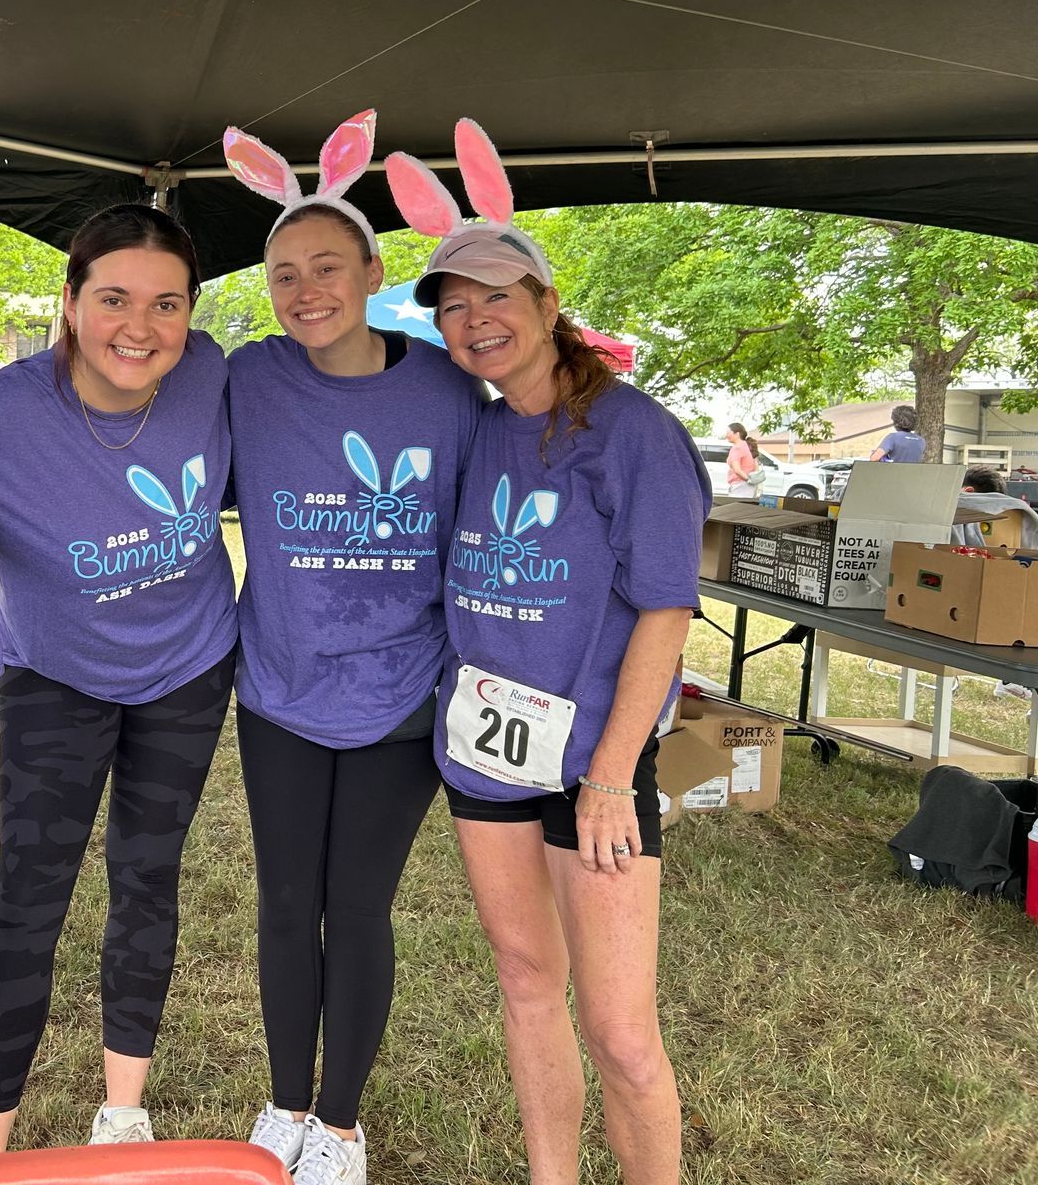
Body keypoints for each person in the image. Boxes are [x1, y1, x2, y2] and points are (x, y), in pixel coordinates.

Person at [391, 120, 708, 1185]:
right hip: (484, 754)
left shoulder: (632, 433)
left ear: (542, 302)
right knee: (527, 983)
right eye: (454, 306)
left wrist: (614, 776)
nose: (475, 320)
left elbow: (666, 611)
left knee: (621, 1032)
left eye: (494, 297)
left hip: (593, 770)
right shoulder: (479, 430)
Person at [0, 203, 238, 1152]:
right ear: (70, 302)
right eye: (115, 299)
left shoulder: (210, 372)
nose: (141, 327)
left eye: (167, 303)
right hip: (56, 676)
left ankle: (122, 1117)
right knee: (29, 897)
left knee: (148, 875)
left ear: (191, 312)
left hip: (190, 667)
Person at [222, 112, 483, 1184]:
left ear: (374, 269)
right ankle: (285, 1104)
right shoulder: (249, 379)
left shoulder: (445, 388)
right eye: (284, 273)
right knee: (287, 901)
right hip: (278, 686)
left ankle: (339, 1123)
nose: (305, 289)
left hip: (401, 694)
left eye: (327, 265)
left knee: (357, 904)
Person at [724, 421, 761, 499]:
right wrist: (753, 481)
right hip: (750, 487)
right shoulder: (749, 445)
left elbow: (737, 470)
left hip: (740, 486)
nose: (726, 435)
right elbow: (756, 465)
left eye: (728, 432)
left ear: (737, 434)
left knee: (736, 510)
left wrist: (749, 480)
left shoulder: (737, 448)